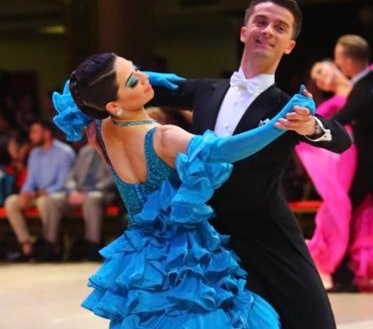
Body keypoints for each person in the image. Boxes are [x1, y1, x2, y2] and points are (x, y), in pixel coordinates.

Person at [52, 52, 318, 328]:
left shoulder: (101, 127)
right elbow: (225, 150)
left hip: (142, 259)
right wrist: (280, 122)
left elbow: (79, 91)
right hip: (185, 257)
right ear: (114, 105)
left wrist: (144, 77)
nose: (144, 79)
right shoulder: (163, 137)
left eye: (138, 69)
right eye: (133, 81)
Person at [149, 0, 352, 329]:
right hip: (206, 233)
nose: (268, 30)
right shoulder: (205, 91)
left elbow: (341, 140)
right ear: (244, 31)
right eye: (261, 21)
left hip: (266, 233)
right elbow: (145, 86)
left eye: (280, 27)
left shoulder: (287, 107)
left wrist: (311, 125)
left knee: (313, 320)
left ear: (289, 45)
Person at [296, 45, 373, 290]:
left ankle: (346, 273)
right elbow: (322, 124)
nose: (322, 77)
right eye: (317, 78)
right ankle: (343, 274)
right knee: (343, 215)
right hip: (353, 168)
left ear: (337, 63)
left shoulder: (371, 76)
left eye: (322, 70)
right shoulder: (333, 104)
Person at [326, 35, 373, 291]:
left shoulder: (362, 92)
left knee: (343, 211)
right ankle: (343, 276)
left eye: (337, 58)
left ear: (347, 61)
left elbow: (337, 119)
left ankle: (343, 277)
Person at [5, 119, 75, 261]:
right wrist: (25, 192)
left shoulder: (64, 152)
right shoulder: (35, 153)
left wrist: (41, 192)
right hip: (37, 194)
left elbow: (63, 183)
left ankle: (50, 244)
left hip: (57, 195)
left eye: (35, 132)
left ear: (47, 133)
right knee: (11, 201)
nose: (31, 136)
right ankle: (26, 245)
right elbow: (30, 181)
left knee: (44, 201)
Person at [58, 143, 117, 261]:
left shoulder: (113, 150)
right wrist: (72, 191)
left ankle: (93, 246)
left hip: (102, 192)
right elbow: (71, 176)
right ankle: (50, 246)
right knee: (53, 200)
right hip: (79, 192)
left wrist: (87, 192)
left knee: (91, 198)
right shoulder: (84, 151)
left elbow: (113, 178)